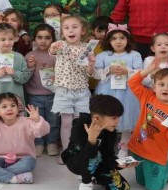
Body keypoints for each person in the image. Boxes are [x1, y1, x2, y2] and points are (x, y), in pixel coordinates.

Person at [62, 95, 135, 190]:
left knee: (122, 189)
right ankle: (86, 184)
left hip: (98, 161)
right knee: (95, 155)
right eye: (113, 118)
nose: (117, 121)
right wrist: (92, 139)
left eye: (118, 117)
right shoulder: (80, 125)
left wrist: (119, 164)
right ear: (96, 118)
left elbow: (108, 154)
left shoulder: (110, 130)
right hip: (76, 161)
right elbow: (84, 154)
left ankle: (95, 177)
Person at [127, 60, 168, 190]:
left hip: (155, 153)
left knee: (153, 188)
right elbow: (132, 83)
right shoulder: (148, 96)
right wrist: (146, 71)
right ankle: (157, 170)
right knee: (140, 182)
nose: (165, 88)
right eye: (161, 84)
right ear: (154, 87)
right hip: (138, 148)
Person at [49, 15, 96, 164]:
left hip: (82, 92)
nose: (71, 30)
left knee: (80, 123)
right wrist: (53, 47)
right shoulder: (61, 45)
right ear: (62, 32)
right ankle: (66, 152)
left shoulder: (87, 48)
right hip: (64, 91)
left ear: (82, 31)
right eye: (66, 28)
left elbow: (90, 73)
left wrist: (91, 63)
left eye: (75, 27)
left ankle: (79, 150)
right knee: (66, 123)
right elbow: (52, 51)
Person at [0, 93, 50, 184]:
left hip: (22, 159)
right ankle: (14, 176)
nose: (9, 109)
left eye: (13, 106)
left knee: (30, 161)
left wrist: (37, 120)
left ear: (18, 109)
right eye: (4, 107)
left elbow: (43, 131)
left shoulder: (27, 122)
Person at [93, 24, 143, 158]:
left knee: (127, 118)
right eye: (114, 38)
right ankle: (106, 147)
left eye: (122, 38)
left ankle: (124, 147)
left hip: (128, 92)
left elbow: (140, 73)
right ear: (109, 41)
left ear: (128, 40)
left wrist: (128, 71)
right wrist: (108, 70)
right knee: (107, 119)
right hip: (107, 92)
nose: (118, 41)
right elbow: (95, 74)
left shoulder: (134, 55)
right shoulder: (103, 55)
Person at [24, 24, 60, 157]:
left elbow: (63, 74)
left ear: (53, 39)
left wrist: (57, 75)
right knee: (36, 121)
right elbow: (25, 76)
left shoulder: (56, 56)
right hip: (34, 95)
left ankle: (52, 143)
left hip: (53, 95)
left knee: (53, 121)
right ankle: (38, 143)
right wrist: (30, 67)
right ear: (34, 39)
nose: (43, 41)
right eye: (39, 37)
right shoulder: (30, 55)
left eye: (47, 38)